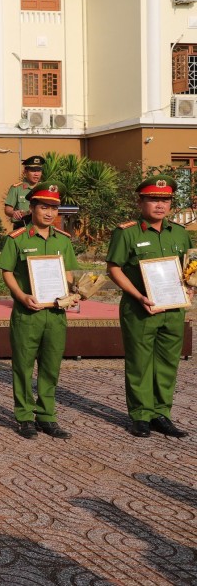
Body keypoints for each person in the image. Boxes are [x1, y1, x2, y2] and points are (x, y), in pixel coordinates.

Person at [106, 176, 194, 439]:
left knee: (168, 363)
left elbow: (189, 268)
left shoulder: (179, 233)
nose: (160, 205)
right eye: (154, 199)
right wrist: (139, 296)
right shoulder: (127, 232)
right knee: (140, 363)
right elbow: (113, 268)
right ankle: (141, 416)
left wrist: (190, 286)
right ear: (141, 201)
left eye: (165, 200)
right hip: (140, 308)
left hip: (173, 309)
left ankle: (161, 413)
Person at [0, 181, 81, 440]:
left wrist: (73, 291)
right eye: (44, 207)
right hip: (27, 313)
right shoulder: (18, 239)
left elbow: (67, 272)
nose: (49, 213)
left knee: (51, 366)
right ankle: (24, 416)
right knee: (22, 366)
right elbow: (6, 271)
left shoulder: (63, 241)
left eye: (54, 208)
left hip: (55, 313)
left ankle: (46, 416)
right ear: (31, 207)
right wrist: (21, 296)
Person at [4, 155, 45, 226]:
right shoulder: (16, 188)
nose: (36, 174)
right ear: (25, 172)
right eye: (33, 171)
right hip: (21, 226)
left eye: (38, 171)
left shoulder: (44, 188)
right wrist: (14, 213)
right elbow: (8, 209)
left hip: (39, 227)